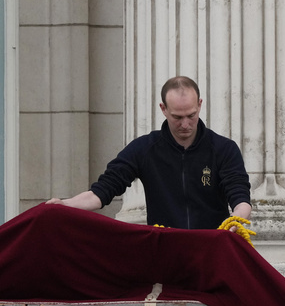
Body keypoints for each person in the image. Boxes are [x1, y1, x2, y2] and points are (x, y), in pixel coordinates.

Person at [47, 76, 252, 229]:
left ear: (200, 105)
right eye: (177, 117)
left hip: (212, 247)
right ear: (163, 109)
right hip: (165, 249)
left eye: (191, 115)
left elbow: (240, 196)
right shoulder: (144, 149)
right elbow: (101, 192)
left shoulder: (224, 149)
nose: (185, 124)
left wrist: (237, 220)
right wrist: (64, 205)